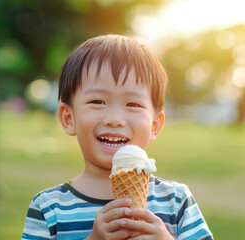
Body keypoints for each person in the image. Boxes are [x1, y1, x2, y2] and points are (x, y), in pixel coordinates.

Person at [22, 35, 213, 240]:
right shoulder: (48, 208)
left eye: (133, 104)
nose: (115, 119)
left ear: (154, 125)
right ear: (69, 118)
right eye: (98, 101)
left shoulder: (176, 201)